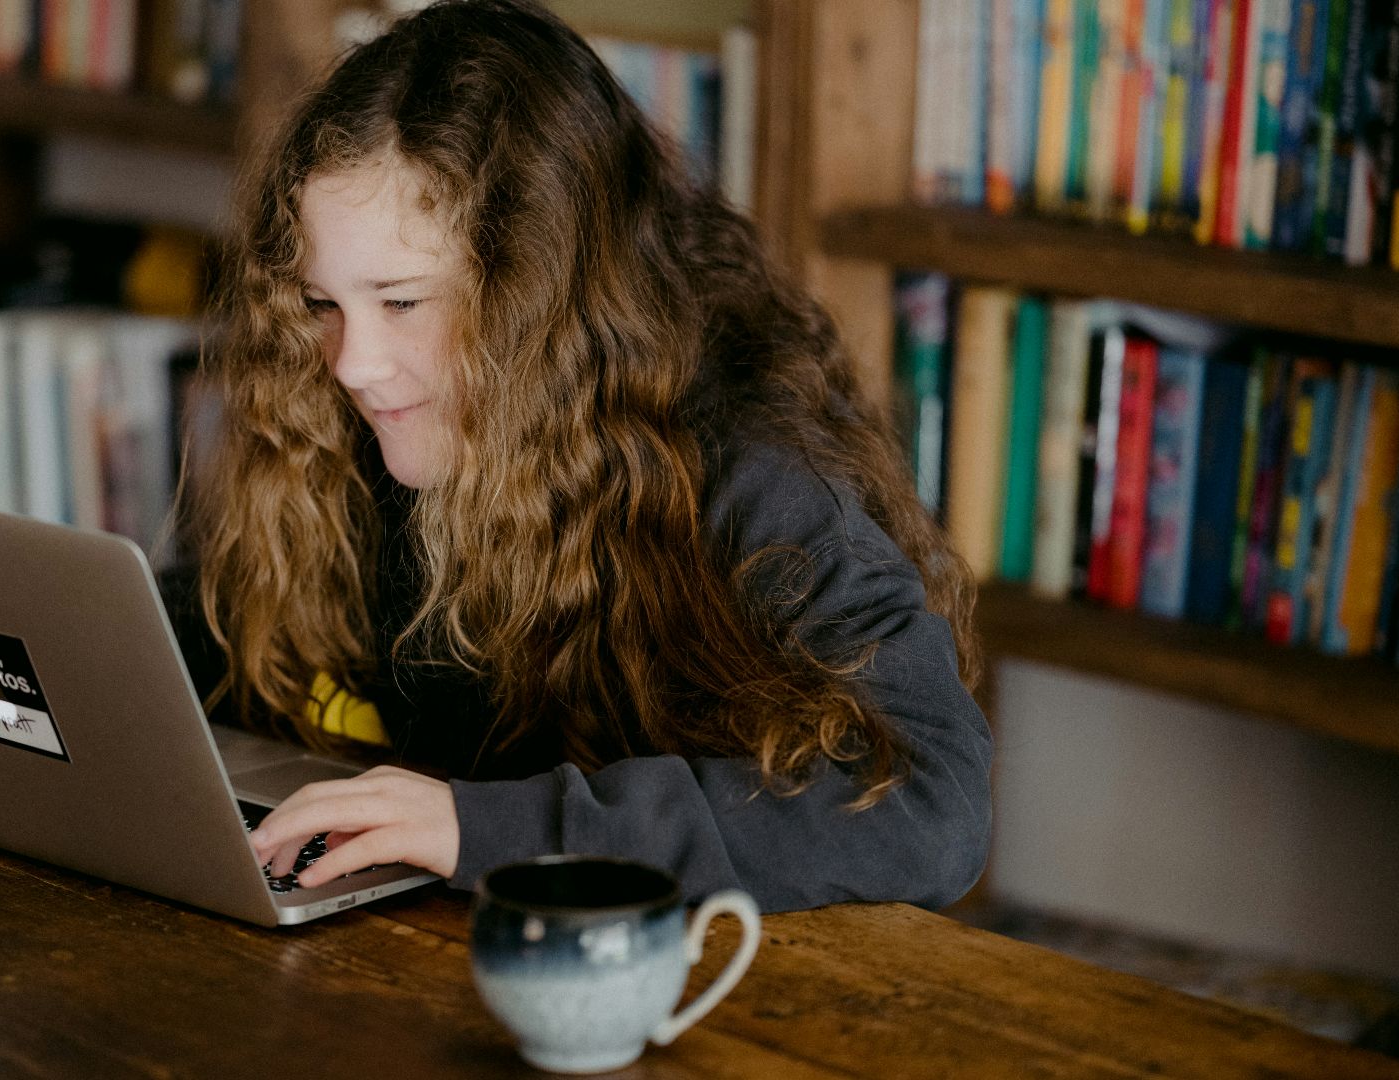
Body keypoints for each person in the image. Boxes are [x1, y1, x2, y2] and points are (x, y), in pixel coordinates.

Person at [159, 0, 992, 914]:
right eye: (324, 304)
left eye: (402, 304)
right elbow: (218, 633)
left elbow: (931, 805)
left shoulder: (754, 474)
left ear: (541, 295)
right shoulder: (376, 426)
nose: (353, 365)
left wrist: (487, 827)